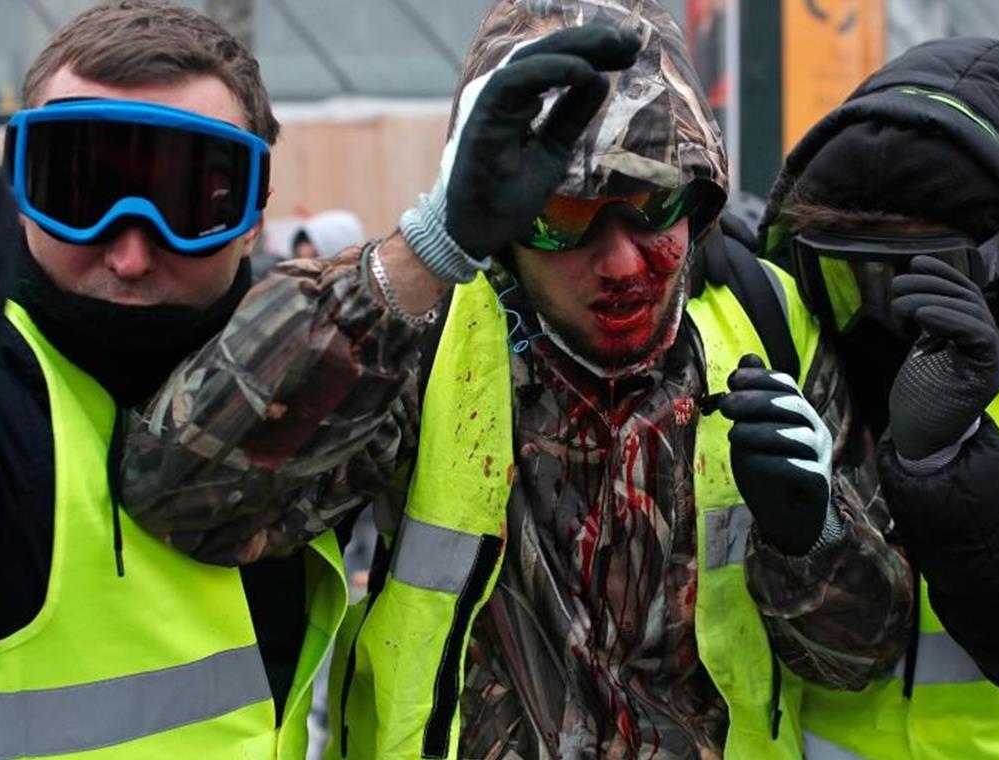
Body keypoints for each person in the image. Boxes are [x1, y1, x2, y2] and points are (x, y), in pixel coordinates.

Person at [120, 2, 914, 757]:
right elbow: (185, 498)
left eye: (650, 202)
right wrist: (418, 257)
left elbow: (859, 660)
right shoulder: (418, 332)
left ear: (698, 198)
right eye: (562, 217)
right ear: (501, 226)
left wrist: (815, 539)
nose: (620, 262)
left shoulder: (769, 327)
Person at [0, 1, 349, 756]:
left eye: (190, 201)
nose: (132, 256)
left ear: (252, 213)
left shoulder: (306, 388)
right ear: (18, 191)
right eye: (78, 192)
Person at [760, 36, 999, 758]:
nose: (881, 320)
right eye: (847, 276)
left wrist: (946, 458)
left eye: (924, 277)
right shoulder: (802, 344)